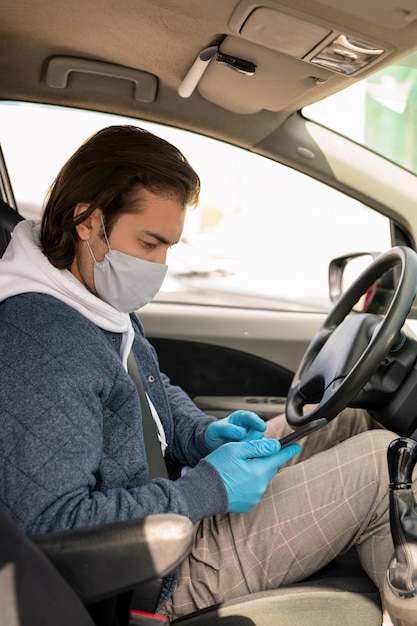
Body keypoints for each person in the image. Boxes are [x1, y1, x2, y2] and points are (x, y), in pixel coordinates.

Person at [0, 125, 401, 621]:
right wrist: (207, 488)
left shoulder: (86, 292)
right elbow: (52, 528)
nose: (160, 264)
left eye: (169, 246)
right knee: (387, 466)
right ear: (88, 220)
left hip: (169, 504)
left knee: (347, 421)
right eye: (150, 243)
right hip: (151, 572)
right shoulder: (42, 343)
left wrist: (202, 435)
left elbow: (147, 388)